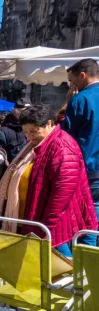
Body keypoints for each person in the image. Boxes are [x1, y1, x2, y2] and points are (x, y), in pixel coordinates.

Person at [0, 104, 97, 257]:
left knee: (60, 262)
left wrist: (45, 227)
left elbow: (62, 194)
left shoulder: (62, 147)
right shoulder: (40, 144)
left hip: (53, 222)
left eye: (34, 131)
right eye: (26, 132)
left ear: (48, 124)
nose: (29, 137)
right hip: (38, 218)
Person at [63, 58, 99, 246]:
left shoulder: (80, 99)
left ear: (83, 76)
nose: (71, 85)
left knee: (85, 220)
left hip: (89, 170)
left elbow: (67, 139)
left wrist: (69, 102)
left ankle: (86, 264)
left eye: (72, 80)